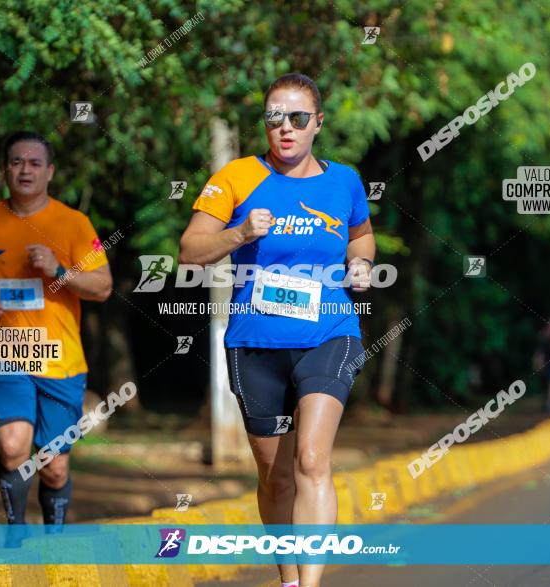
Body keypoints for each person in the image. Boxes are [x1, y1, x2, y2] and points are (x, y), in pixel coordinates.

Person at [179, 73, 374, 587]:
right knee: (276, 475)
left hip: (330, 334)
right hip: (255, 343)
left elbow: (363, 235)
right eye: (274, 118)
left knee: (312, 458)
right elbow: (189, 252)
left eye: (297, 118)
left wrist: (361, 263)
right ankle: (288, 578)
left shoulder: (344, 181)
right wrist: (239, 232)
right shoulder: (236, 177)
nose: (285, 128)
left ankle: (308, 584)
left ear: (318, 124)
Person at [0, 131, 112, 529]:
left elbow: (103, 286)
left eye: (35, 163)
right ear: (5, 169)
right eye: (17, 161)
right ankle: (17, 538)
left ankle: (53, 541)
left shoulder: (73, 223)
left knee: (54, 468)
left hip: (62, 361)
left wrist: (59, 271)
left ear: (50, 172)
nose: (25, 169)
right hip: (8, 351)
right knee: (12, 446)